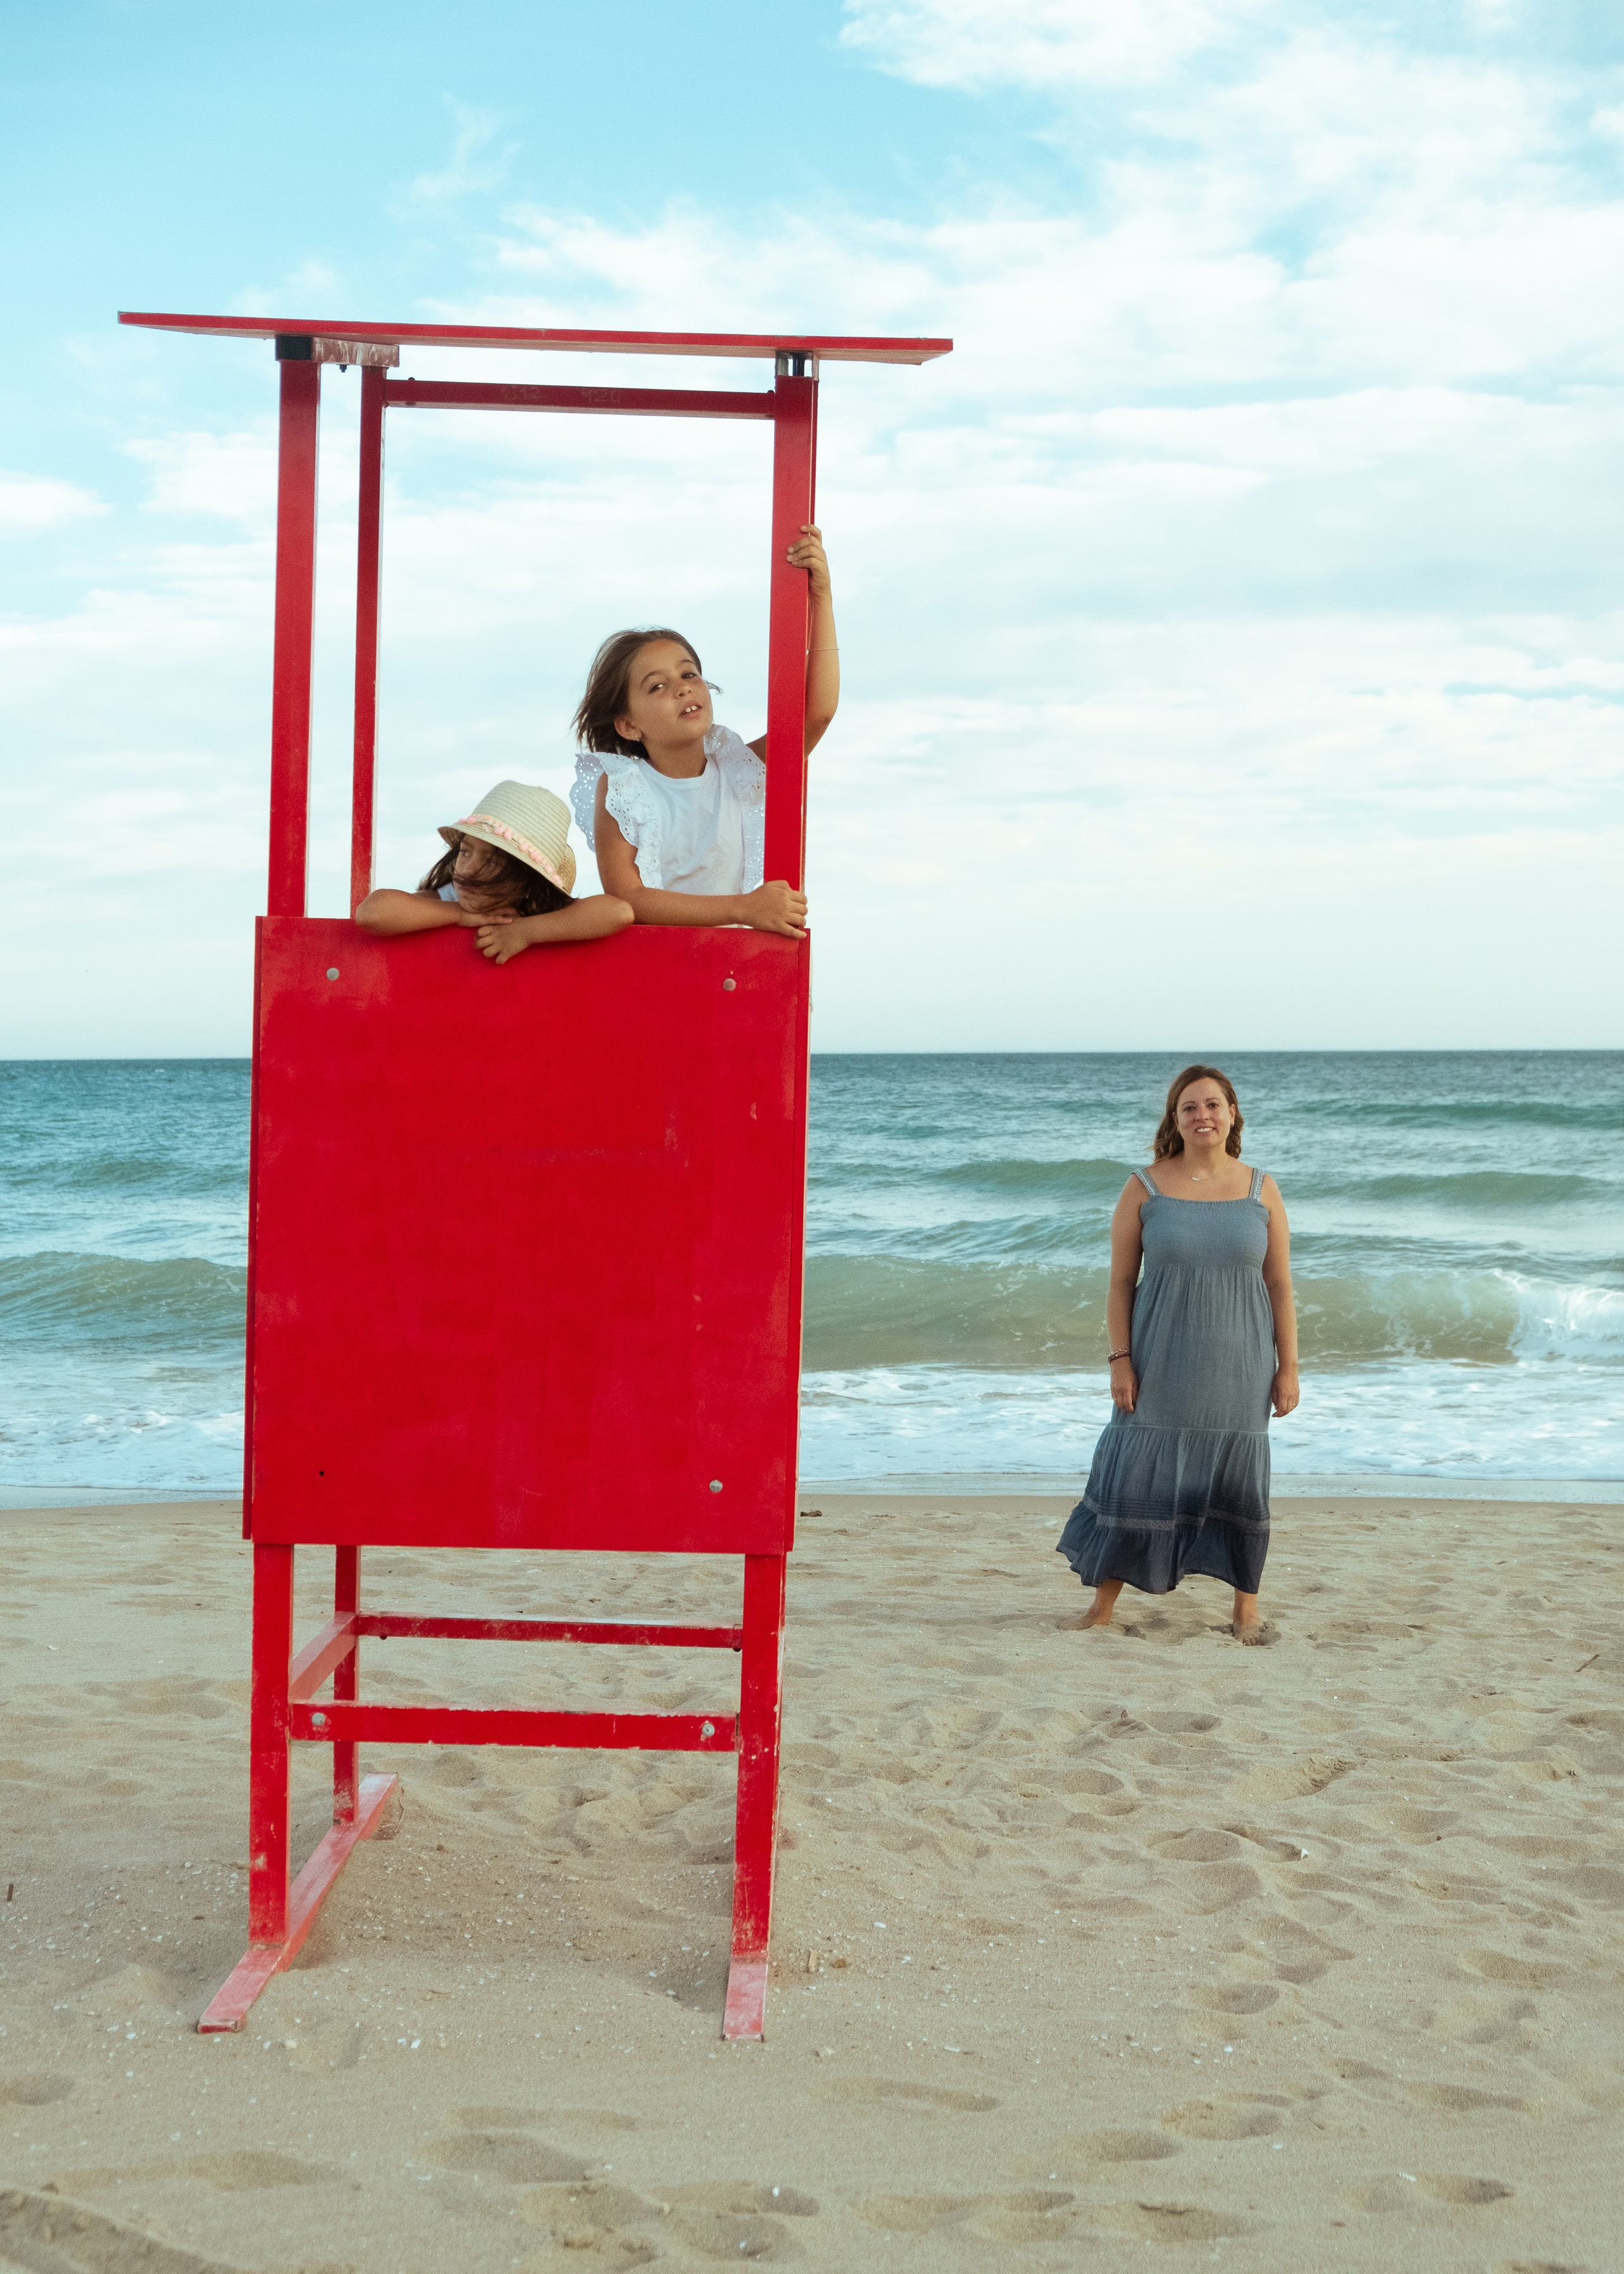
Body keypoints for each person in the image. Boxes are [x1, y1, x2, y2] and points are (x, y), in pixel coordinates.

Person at [1056, 1064, 1299, 1643]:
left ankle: (1246, 1610)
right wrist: (1120, 1359)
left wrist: (1288, 1366)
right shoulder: (1145, 1187)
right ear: (1175, 1118)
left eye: (1213, 1105)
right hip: (1160, 1361)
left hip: (1241, 1366)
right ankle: (1102, 1606)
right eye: (1189, 1107)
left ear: (1233, 1114)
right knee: (1136, 1471)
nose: (1202, 1115)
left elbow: (1280, 1284)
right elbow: (1121, 1282)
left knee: (1241, 1481)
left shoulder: (1261, 1188)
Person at [568, 525, 837, 938]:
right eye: (657, 686)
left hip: (729, 963)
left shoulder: (738, 771)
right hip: (661, 965)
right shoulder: (625, 785)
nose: (682, 688)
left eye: (689, 674)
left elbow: (817, 714)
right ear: (629, 725)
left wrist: (821, 597)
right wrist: (744, 907)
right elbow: (628, 898)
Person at [354, 780, 632, 961]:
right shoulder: (447, 900)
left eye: (493, 861)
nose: (468, 868)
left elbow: (618, 912)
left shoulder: (538, 909)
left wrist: (527, 932)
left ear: (529, 880)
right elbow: (373, 913)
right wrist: (459, 915)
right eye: (465, 851)